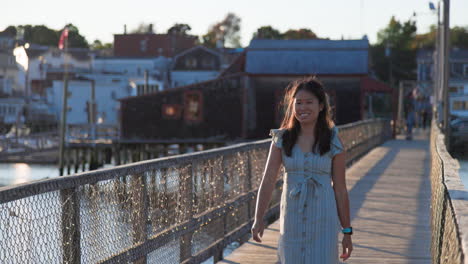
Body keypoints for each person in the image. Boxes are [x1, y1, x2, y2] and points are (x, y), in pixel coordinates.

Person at [251, 77, 353, 263]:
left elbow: (340, 189)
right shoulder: (282, 139)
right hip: (292, 218)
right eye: (298, 103)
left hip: (324, 217)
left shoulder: (333, 141)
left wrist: (347, 231)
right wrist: (259, 218)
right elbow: (268, 180)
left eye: (309, 102)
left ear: (321, 106)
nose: (303, 108)